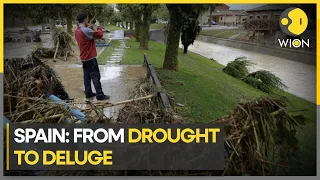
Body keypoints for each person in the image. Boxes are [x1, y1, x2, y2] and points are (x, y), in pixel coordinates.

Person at [75, 12, 110, 100]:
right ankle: (100, 95)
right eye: (87, 19)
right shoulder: (86, 30)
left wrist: (90, 27)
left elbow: (86, 33)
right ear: (85, 20)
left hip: (84, 58)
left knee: (86, 77)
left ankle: (88, 93)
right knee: (95, 76)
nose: (88, 20)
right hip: (90, 58)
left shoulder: (77, 30)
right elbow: (99, 35)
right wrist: (98, 26)